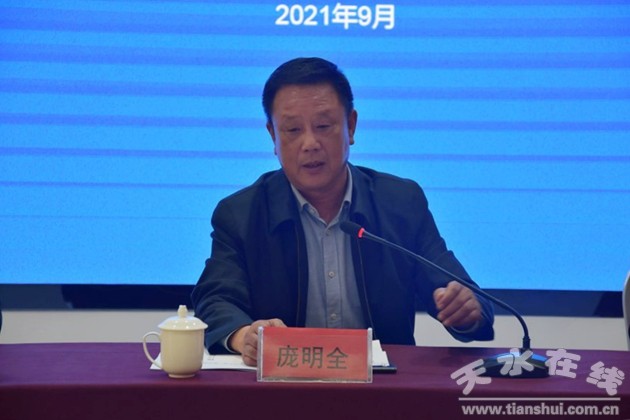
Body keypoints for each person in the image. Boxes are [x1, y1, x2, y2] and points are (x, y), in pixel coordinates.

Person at [192, 57, 494, 366]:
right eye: (292, 129)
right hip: (281, 386)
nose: (310, 143)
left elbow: (461, 293)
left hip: (383, 387)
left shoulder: (400, 204)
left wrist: (467, 311)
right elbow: (216, 300)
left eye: (323, 126)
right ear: (273, 136)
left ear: (350, 126)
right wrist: (245, 336)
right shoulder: (241, 214)